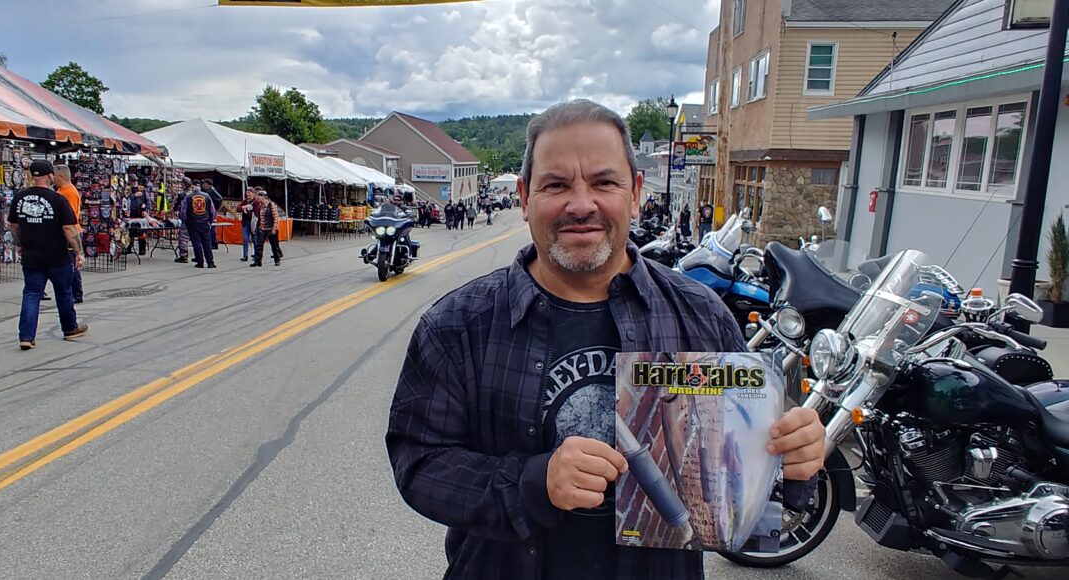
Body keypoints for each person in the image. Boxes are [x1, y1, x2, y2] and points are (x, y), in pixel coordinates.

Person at [385, 99, 824, 579]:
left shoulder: (700, 316)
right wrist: (533, 483)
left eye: (603, 182)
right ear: (525, 197)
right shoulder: (457, 325)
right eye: (556, 185)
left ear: (635, 193)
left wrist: (794, 462)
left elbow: (749, 478)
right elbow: (419, 461)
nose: (580, 204)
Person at [7, 160, 88, 350]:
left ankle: (26, 336)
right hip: (57, 256)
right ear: (50, 176)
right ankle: (69, 328)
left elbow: (13, 225)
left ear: (32, 176)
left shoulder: (20, 197)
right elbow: (69, 228)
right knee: (63, 292)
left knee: (31, 294)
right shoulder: (58, 199)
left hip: (32, 255)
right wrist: (79, 252)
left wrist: (19, 244)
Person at [52, 165, 84, 304]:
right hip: (69, 232)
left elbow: (70, 217)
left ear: (61, 176)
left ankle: (76, 294)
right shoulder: (62, 191)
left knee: (72, 264)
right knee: (68, 263)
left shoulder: (68, 192)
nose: (52, 178)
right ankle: (73, 292)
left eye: (54, 175)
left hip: (71, 232)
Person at [182, 181, 216, 269]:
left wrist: (185, 222)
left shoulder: (188, 197)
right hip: (205, 222)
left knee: (196, 243)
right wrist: (210, 222)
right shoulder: (207, 196)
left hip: (193, 223)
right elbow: (212, 211)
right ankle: (210, 262)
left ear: (192, 188)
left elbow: (183, 212)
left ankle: (200, 262)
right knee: (207, 243)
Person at [252, 191, 283, 267]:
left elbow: (276, 217)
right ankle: (257, 261)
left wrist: (274, 228)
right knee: (259, 245)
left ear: (264, 197)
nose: (258, 197)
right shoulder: (260, 206)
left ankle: (277, 259)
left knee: (274, 245)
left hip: (271, 228)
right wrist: (256, 227)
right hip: (262, 228)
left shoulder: (272, 205)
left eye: (260, 196)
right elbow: (259, 218)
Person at [239, 188, 262, 262]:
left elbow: (255, 212)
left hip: (253, 223)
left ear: (253, 193)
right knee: (245, 239)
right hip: (245, 223)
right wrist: (244, 207)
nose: (248, 195)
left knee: (254, 239)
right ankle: (245, 255)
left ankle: (256, 254)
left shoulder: (256, 202)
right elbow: (238, 208)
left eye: (249, 193)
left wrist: (247, 212)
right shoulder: (245, 201)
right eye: (247, 193)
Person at [173, 178, 193, 263]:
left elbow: (176, 207)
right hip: (196, 219)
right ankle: (199, 256)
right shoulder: (194, 194)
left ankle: (184, 256)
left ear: (184, 184)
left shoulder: (182, 195)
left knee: (183, 238)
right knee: (196, 238)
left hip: (186, 219)